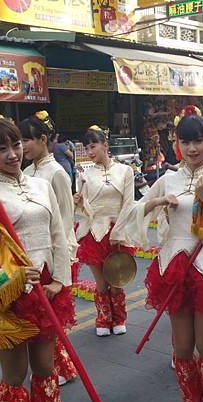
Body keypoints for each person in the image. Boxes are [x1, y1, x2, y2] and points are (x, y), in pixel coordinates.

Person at [114, 108, 203, 402]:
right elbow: (131, 214)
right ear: (176, 142)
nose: (192, 148)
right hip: (175, 269)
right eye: (185, 141)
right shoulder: (167, 179)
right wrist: (157, 203)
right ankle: (191, 400)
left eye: (198, 140)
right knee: (183, 347)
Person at [0, 118, 73, 402]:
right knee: (16, 374)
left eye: (16, 145)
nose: (12, 154)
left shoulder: (42, 184)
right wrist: (14, 277)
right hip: (9, 293)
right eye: (1, 148)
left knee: (46, 367)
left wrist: (60, 281)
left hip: (46, 285)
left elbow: (58, 234)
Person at [20, 112, 79, 385]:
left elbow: (65, 220)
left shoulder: (56, 172)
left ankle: (59, 368)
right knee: (42, 322)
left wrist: (61, 264)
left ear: (43, 140)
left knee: (51, 321)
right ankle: (61, 367)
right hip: (35, 258)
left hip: (57, 255)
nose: (22, 146)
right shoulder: (26, 172)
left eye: (26, 140)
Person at [74, 127, 135, 337]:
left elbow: (129, 203)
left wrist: (119, 230)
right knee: (101, 283)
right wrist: (80, 203)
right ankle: (103, 319)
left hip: (119, 230)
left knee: (117, 281)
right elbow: (85, 211)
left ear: (105, 146)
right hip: (95, 232)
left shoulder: (125, 171)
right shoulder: (84, 175)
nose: (90, 151)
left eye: (93, 146)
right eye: (86, 147)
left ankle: (119, 318)